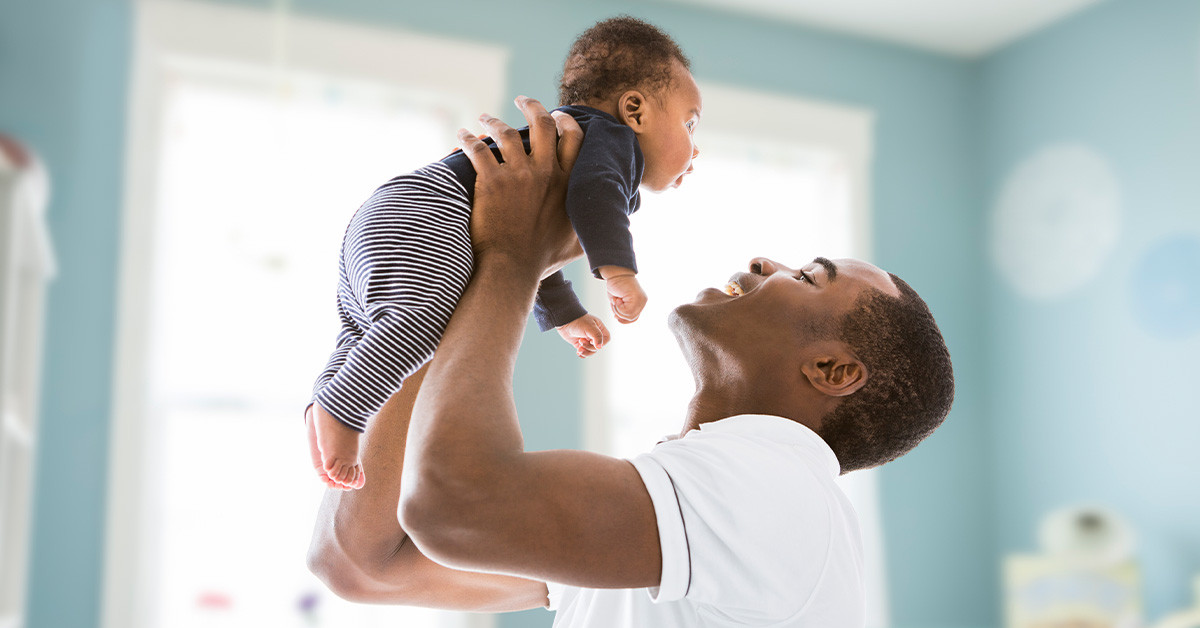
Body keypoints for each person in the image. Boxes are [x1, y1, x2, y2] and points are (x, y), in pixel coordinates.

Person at [305, 97, 955, 627]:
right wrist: (445, 280)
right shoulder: (679, 525)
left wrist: (513, 255)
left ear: (833, 371)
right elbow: (361, 564)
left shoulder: (773, 487)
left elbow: (457, 505)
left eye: (809, 277)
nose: (765, 262)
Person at [306, 16, 703, 490]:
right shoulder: (613, 144)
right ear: (635, 111)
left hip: (396, 209)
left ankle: (322, 403)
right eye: (690, 124)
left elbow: (538, 240)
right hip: (434, 207)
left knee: (363, 326)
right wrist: (619, 274)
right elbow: (596, 196)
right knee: (420, 321)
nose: (695, 150)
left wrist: (566, 314)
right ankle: (342, 412)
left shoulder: (573, 142)